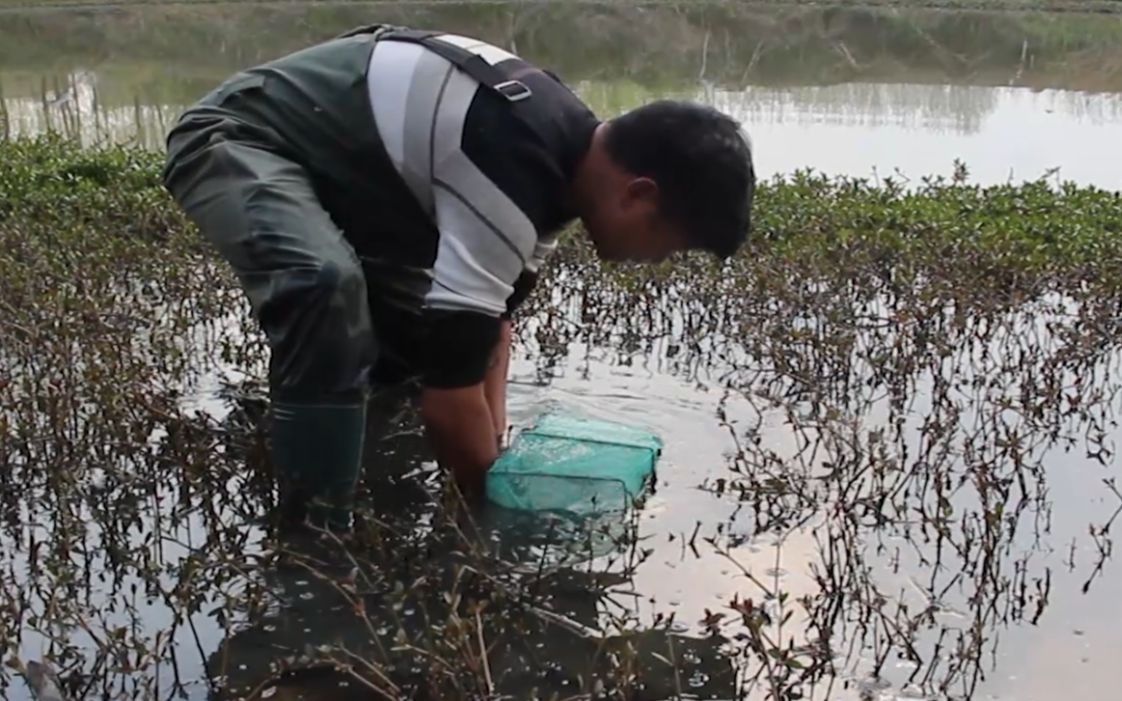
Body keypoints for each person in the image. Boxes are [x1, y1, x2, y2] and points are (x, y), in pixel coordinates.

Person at [161, 23, 756, 534]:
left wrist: (493, 451)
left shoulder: (559, 166)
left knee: (410, 348)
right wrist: (489, 518)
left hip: (345, 175)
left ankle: (313, 438)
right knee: (325, 287)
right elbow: (451, 402)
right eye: (669, 244)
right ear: (639, 194)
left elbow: (487, 334)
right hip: (238, 138)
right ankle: (315, 535)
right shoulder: (512, 168)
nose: (656, 261)